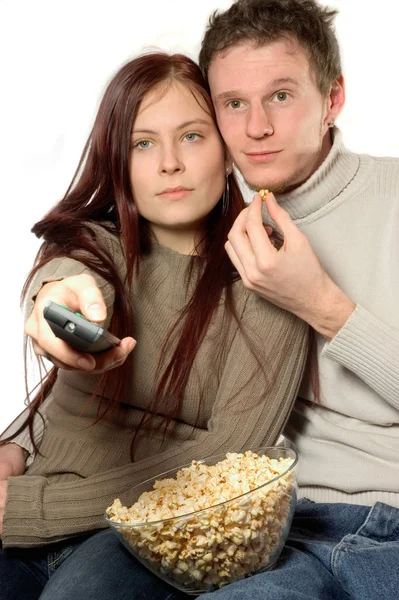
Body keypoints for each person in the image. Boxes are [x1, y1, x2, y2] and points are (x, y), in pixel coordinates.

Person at [0, 50, 308, 599]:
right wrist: (53, 305)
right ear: (118, 159)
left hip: (148, 540)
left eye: (192, 136)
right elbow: (65, 281)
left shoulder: (267, 275)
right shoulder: (94, 245)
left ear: (226, 148)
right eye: (143, 143)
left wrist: (34, 509)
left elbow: (227, 465)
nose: (169, 162)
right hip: (26, 493)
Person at [196, 0, 399, 598]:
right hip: (279, 532)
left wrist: (319, 302)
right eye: (234, 103)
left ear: (333, 99)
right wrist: (17, 444)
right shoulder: (203, 208)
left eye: (281, 96)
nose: (256, 127)